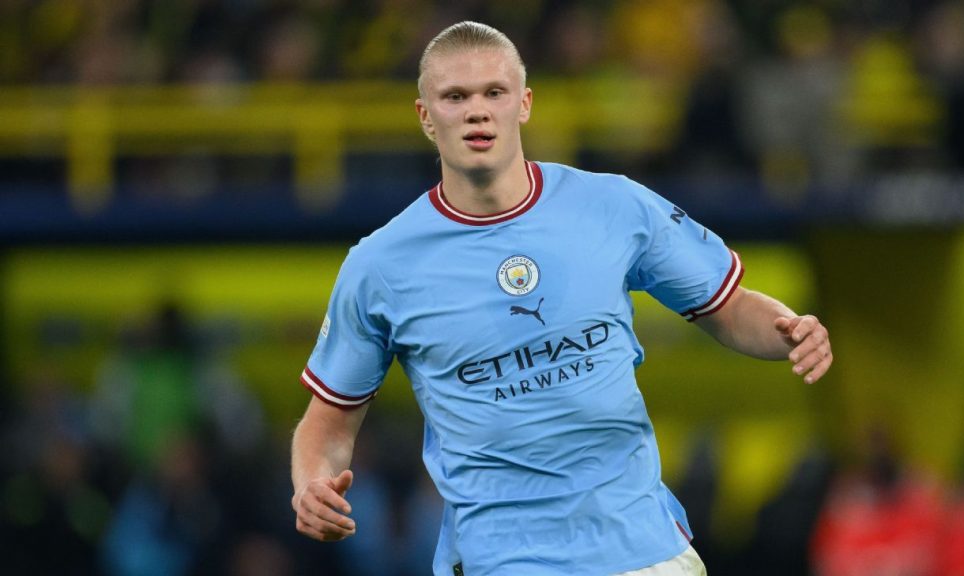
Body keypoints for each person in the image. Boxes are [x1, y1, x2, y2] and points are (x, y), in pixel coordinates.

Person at [290, 21, 832, 576]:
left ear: (524, 103)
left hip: (643, 548)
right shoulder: (381, 265)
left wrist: (789, 328)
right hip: (501, 559)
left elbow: (729, 307)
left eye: (494, 93)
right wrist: (312, 484)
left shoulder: (614, 205)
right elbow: (328, 423)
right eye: (455, 97)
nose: (477, 112)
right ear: (425, 115)